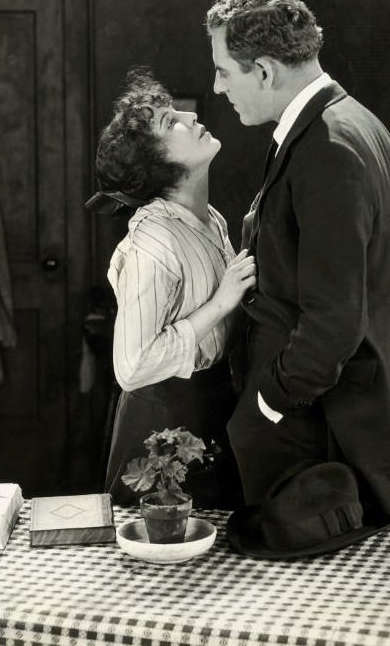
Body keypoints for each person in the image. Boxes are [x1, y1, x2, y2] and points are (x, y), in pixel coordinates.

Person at [206, 0, 390, 520]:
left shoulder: (328, 149)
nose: (217, 87)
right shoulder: (349, 121)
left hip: (322, 426)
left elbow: (335, 320)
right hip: (326, 412)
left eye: (223, 72)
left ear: (264, 71)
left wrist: (267, 404)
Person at [89, 68, 255, 508]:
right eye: (170, 121)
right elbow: (133, 366)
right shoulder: (153, 240)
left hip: (209, 405)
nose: (189, 116)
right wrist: (221, 303)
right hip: (162, 420)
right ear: (156, 164)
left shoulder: (210, 218)